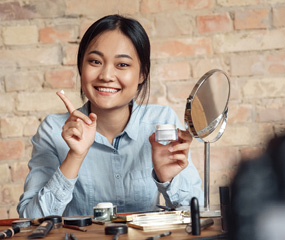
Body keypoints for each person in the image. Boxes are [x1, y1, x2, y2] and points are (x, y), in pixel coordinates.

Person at [17, 14, 203, 218]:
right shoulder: (53, 129)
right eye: (95, 61)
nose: (106, 75)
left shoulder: (161, 122)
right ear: (81, 67)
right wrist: (75, 156)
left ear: (142, 74)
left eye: (122, 64)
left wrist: (167, 179)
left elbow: (196, 217)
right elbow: (30, 222)